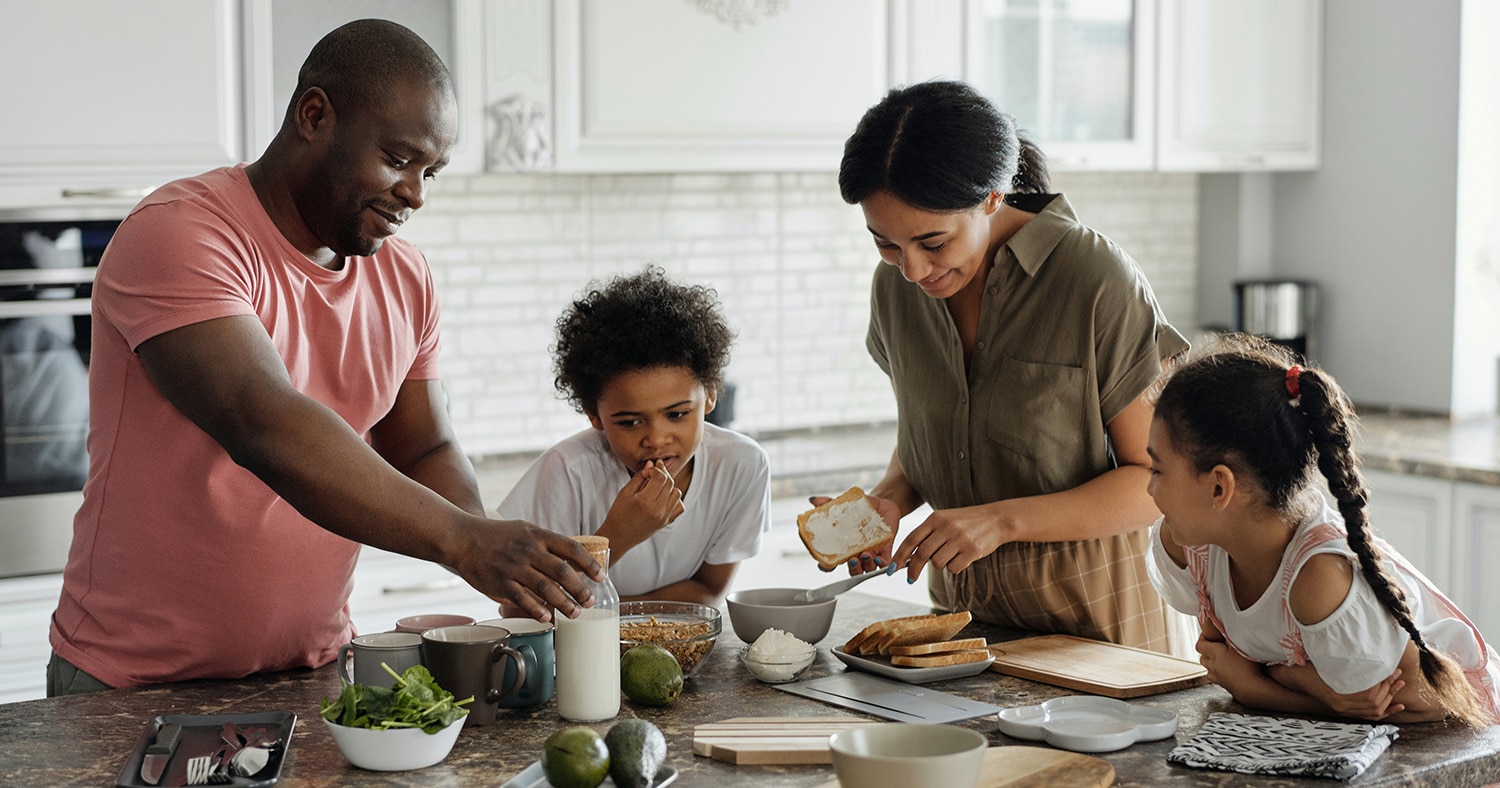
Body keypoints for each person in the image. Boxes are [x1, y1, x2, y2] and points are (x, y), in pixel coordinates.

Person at [47, 19, 600, 695]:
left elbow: (424, 446)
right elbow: (265, 423)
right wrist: (464, 541)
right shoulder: (180, 233)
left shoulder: (405, 275)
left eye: (432, 171)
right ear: (314, 115)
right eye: (399, 160)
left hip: (312, 673)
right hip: (133, 683)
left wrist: (493, 553)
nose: (416, 194)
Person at [834, 80, 1188, 652]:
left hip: (1103, 638)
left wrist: (999, 522)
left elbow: (1156, 484)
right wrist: (890, 501)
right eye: (886, 245)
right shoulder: (895, 291)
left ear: (993, 197)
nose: (913, 271)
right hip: (962, 636)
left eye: (933, 242)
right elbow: (939, 433)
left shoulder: (1092, 278)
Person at [1146, 334, 1498, 726]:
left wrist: (1264, 686)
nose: (1149, 488)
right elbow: (1222, 661)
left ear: (1219, 487)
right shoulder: (1194, 546)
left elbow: (1424, 701)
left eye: (1157, 469)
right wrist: (1311, 688)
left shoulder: (1319, 579)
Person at [497, 266, 771, 605]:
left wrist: (610, 614)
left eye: (677, 414)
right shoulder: (567, 472)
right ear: (594, 414)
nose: (656, 439)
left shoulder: (741, 465)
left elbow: (709, 590)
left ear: (711, 394)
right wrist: (618, 536)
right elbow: (519, 609)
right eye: (629, 422)